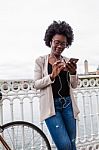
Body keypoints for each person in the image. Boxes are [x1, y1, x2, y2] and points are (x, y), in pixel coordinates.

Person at [33, 20, 80, 150]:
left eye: (63, 44)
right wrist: (52, 76)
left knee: (72, 143)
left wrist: (73, 72)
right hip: (51, 107)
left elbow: (74, 85)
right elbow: (36, 84)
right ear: (50, 42)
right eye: (57, 42)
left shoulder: (67, 60)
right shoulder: (41, 61)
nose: (59, 46)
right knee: (64, 146)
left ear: (67, 45)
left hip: (68, 105)